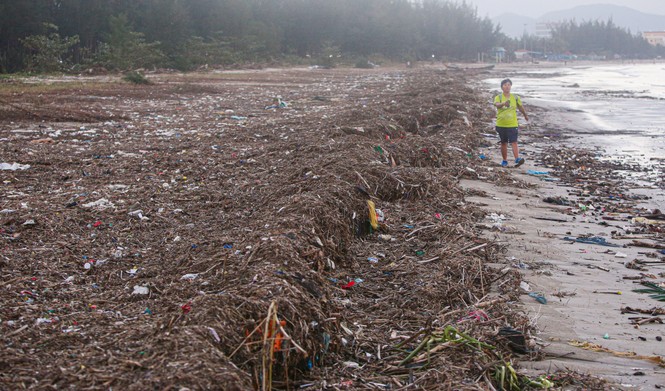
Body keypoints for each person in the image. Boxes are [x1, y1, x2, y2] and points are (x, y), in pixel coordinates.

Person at [494, 78, 529, 167]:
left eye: (509, 85)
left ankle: (517, 158)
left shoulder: (515, 97)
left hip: (512, 124)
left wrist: (525, 115)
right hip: (501, 124)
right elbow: (497, 104)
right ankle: (504, 160)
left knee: (514, 142)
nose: (507, 86)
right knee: (504, 142)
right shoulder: (498, 97)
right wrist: (503, 104)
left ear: (511, 86)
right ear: (502, 87)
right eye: (505, 85)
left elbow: (520, 107)